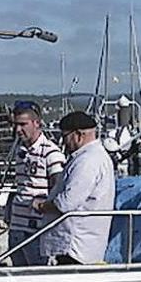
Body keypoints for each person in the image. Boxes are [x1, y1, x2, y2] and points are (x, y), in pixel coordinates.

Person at [33, 111, 115, 265]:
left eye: (65, 137)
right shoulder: (92, 156)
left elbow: (67, 203)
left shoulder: (87, 161)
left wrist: (41, 206)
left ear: (78, 135)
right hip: (80, 245)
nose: (63, 143)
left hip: (75, 247)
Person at [7, 101, 65, 266]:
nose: (18, 130)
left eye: (23, 124)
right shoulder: (20, 151)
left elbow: (58, 187)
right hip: (17, 226)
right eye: (16, 125)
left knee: (36, 276)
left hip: (36, 230)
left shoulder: (51, 152)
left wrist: (43, 207)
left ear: (37, 123)